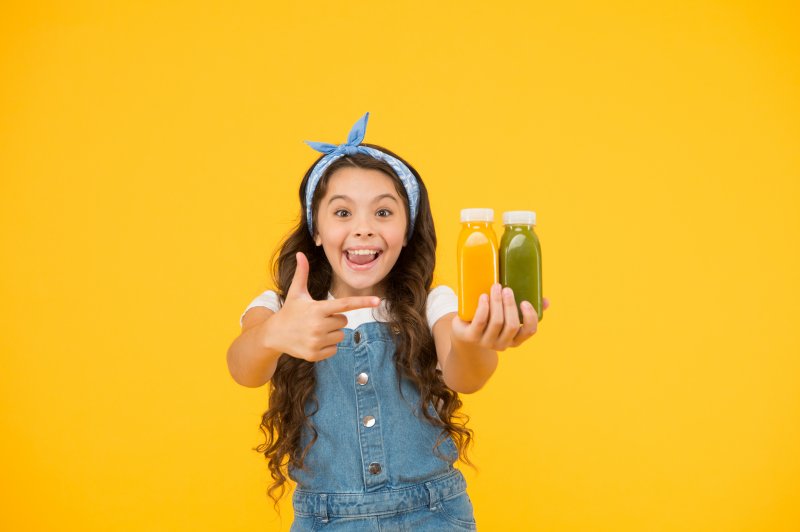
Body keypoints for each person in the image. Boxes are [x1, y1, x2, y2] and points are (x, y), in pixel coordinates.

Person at [226, 113, 549, 531]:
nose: (363, 229)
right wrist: (273, 334)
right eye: (342, 213)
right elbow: (243, 367)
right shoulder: (284, 306)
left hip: (434, 515)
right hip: (326, 521)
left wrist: (474, 342)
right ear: (316, 230)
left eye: (383, 213)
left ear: (407, 230)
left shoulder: (433, 303)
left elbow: (465, 374)